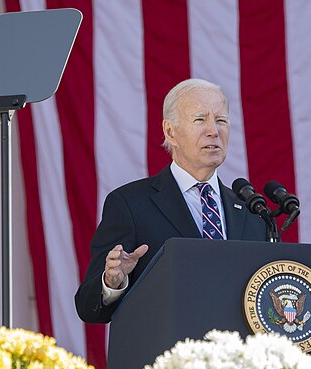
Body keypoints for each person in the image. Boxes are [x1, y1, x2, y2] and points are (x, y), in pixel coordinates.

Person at [75, 78, 267, 323]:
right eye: (200, 120)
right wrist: (113, 282)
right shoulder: (130, 204)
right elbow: (88, 306)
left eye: (221, 120)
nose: (213, 131)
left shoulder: (252, 213)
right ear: (170, 131)